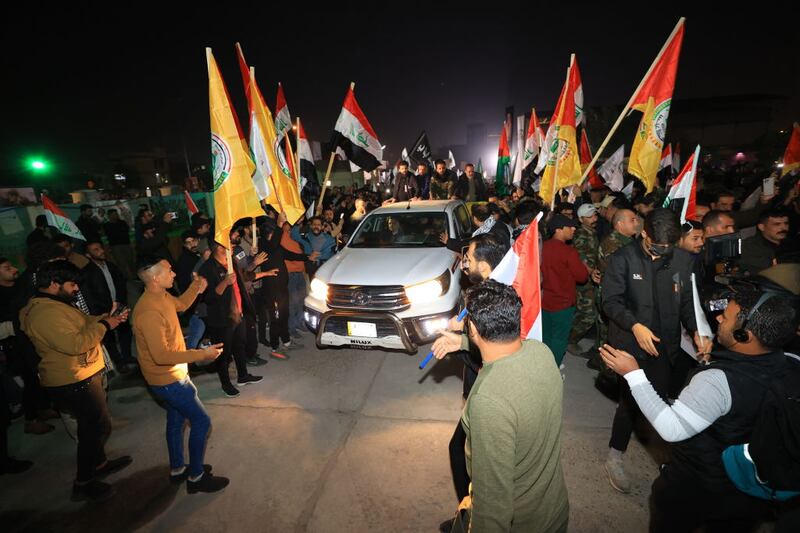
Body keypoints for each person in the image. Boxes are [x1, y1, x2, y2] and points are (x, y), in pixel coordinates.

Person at [600, 285, 798, 532]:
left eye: (726, 318)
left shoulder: (717, 381)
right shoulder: (792, 364)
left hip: (698, 487)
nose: (718, 318)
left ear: (744, 335)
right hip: (751, 495)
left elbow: (671, 429)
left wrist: (634, 375)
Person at [432, 280, 569, 532]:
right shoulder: (542, 353)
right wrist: (461, 343)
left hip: (521, 523)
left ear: (471, 327)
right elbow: (506, 349)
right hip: (553, 511)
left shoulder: (489, 401)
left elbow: (493, 505)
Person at [601, 209, 712, 494]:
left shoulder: (683, 260)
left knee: (660, 399)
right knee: (629, 402)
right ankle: (616, 453)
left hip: (665, 346)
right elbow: (610, 302)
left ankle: (664, 459)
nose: (663, 254)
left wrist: (698, 329)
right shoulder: (621, 259)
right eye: (657, 247)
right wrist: (635, 325)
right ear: (644, 233)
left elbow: (687, 302)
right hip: (630, 342)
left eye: (669, 248)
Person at [19, 260, 132, 502]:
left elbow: (78, 324)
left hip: (80, 374)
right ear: (52, 284)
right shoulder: (44, 313)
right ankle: (83, 483)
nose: (76, 289)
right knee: (94, 429)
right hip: (72, 380)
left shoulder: (54, 304)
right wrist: (105, 325)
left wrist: (105, 318)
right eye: (71, 284)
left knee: (94, 426)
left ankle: (99, 464)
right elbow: (75, 344)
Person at [132, 257, 231, 493]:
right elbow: (161, 355)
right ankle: (195, 477)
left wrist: (196, 287)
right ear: (155, 278)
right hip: (167, 380)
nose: (174, 274)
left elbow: (181, 305)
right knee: (201, 421)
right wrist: (201, 354)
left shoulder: (161, 296)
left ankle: (178, 468)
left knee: (176, 421)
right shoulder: (148, 311)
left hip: (171, 375)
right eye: (169, 271)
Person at [197, 241, 264, 397]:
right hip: (221, 318)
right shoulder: (207, 268)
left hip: (238, 313)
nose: (232, 246)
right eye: (228, 244)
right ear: (218, 248)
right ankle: (226, 384)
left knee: (239, 346)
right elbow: (208, 297)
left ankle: (243, 376)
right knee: (223, 354)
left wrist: (259, 270)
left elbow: (242, 277)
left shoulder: (230, 261)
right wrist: (225, 282)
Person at [81, 241, 135, 372]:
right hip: (103, 311)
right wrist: (100, 313)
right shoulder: (87, 273)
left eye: (100, 248)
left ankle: (127, 356)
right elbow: (90, 296)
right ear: (88, 255)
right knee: (109, 337)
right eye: (96, 250)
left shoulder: (111, 266)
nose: (101, 251)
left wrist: (120, 302)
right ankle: (119, 362)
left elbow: (121, 284)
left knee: (125, 332)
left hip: (119, 306)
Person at [568, 203, 602, 358]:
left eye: (594, 215)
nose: (594, 218)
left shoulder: (591, 232)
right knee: (588, 314)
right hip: (583, 279)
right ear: (581, 219)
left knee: (583, 312)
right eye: (590, 217)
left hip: (590, 279)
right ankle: (570, 340)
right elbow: (580, 258)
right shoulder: (581, 234)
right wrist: (591, 271)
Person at [739, 209, 791, 275]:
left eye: (786, 223)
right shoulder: (749, 247)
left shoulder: (793, 244)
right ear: (762, 227)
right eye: (777, 224)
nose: (783, 228)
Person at [103, 208, 134, 280]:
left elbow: (127, 232)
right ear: (109, 215)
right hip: (115, 246)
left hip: (126, 244)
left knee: (130, 261)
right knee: (121, 263)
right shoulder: (107, 225)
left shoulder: (122, 222)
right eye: (113, 214)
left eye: (116, 214)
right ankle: (126, 278)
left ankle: (134, 276)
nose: (115, 216)